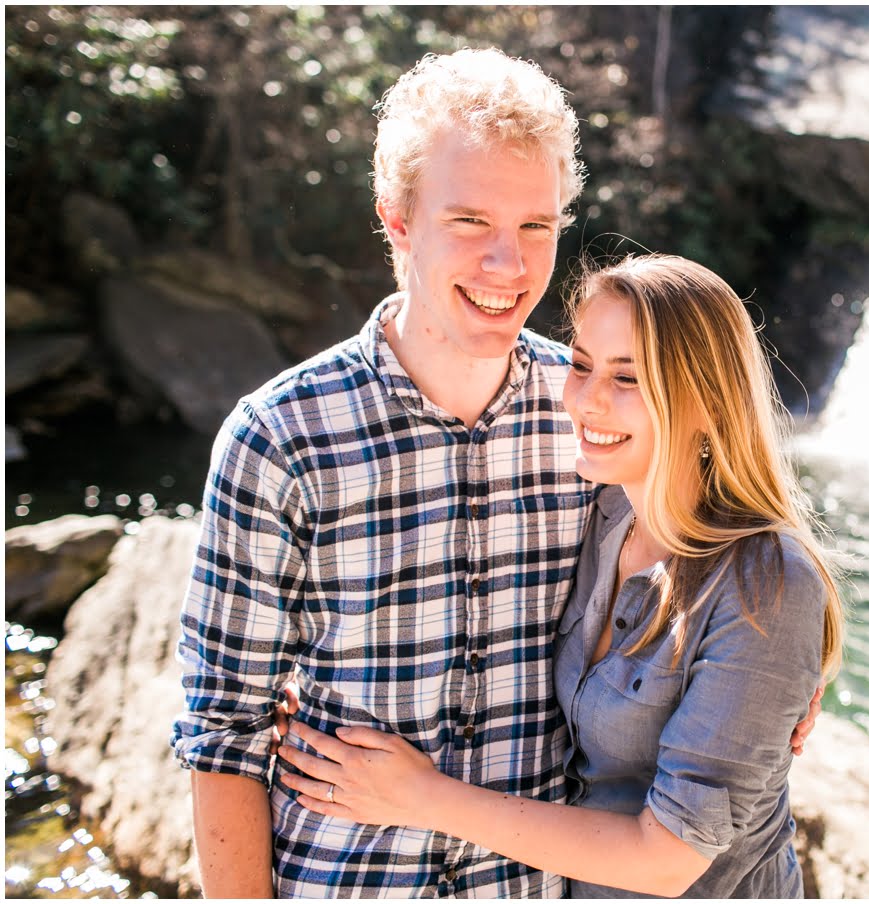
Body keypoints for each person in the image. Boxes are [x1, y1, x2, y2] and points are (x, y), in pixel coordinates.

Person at [171, 49, 820, 899]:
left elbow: (724, 545)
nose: (508, 267)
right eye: (471, 223)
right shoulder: (281, 438)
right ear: (398, 222)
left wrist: (786, 692)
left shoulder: (592, 415)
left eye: (536, 228)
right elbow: (224, 730)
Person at [274, 253, 846, 898]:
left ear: (709, 402)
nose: (588, 401)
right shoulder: (601, 511)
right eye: (581, 365)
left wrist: (422, 798)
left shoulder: (764, 586)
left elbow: (667, 859)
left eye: (629, 379)